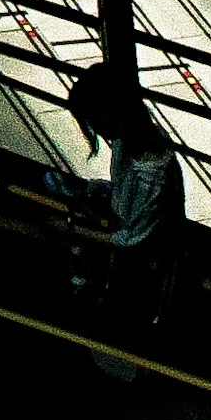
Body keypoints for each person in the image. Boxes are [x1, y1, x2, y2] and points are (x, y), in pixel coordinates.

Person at [48, 61, 183, 381]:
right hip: (139, 257)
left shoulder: (149, 167)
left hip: (144, 269)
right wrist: (101, 191)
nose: (96, 129)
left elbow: (134, 241)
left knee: (112, 327)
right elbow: (130, 200)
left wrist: (71, 231)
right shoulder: (132, 140)